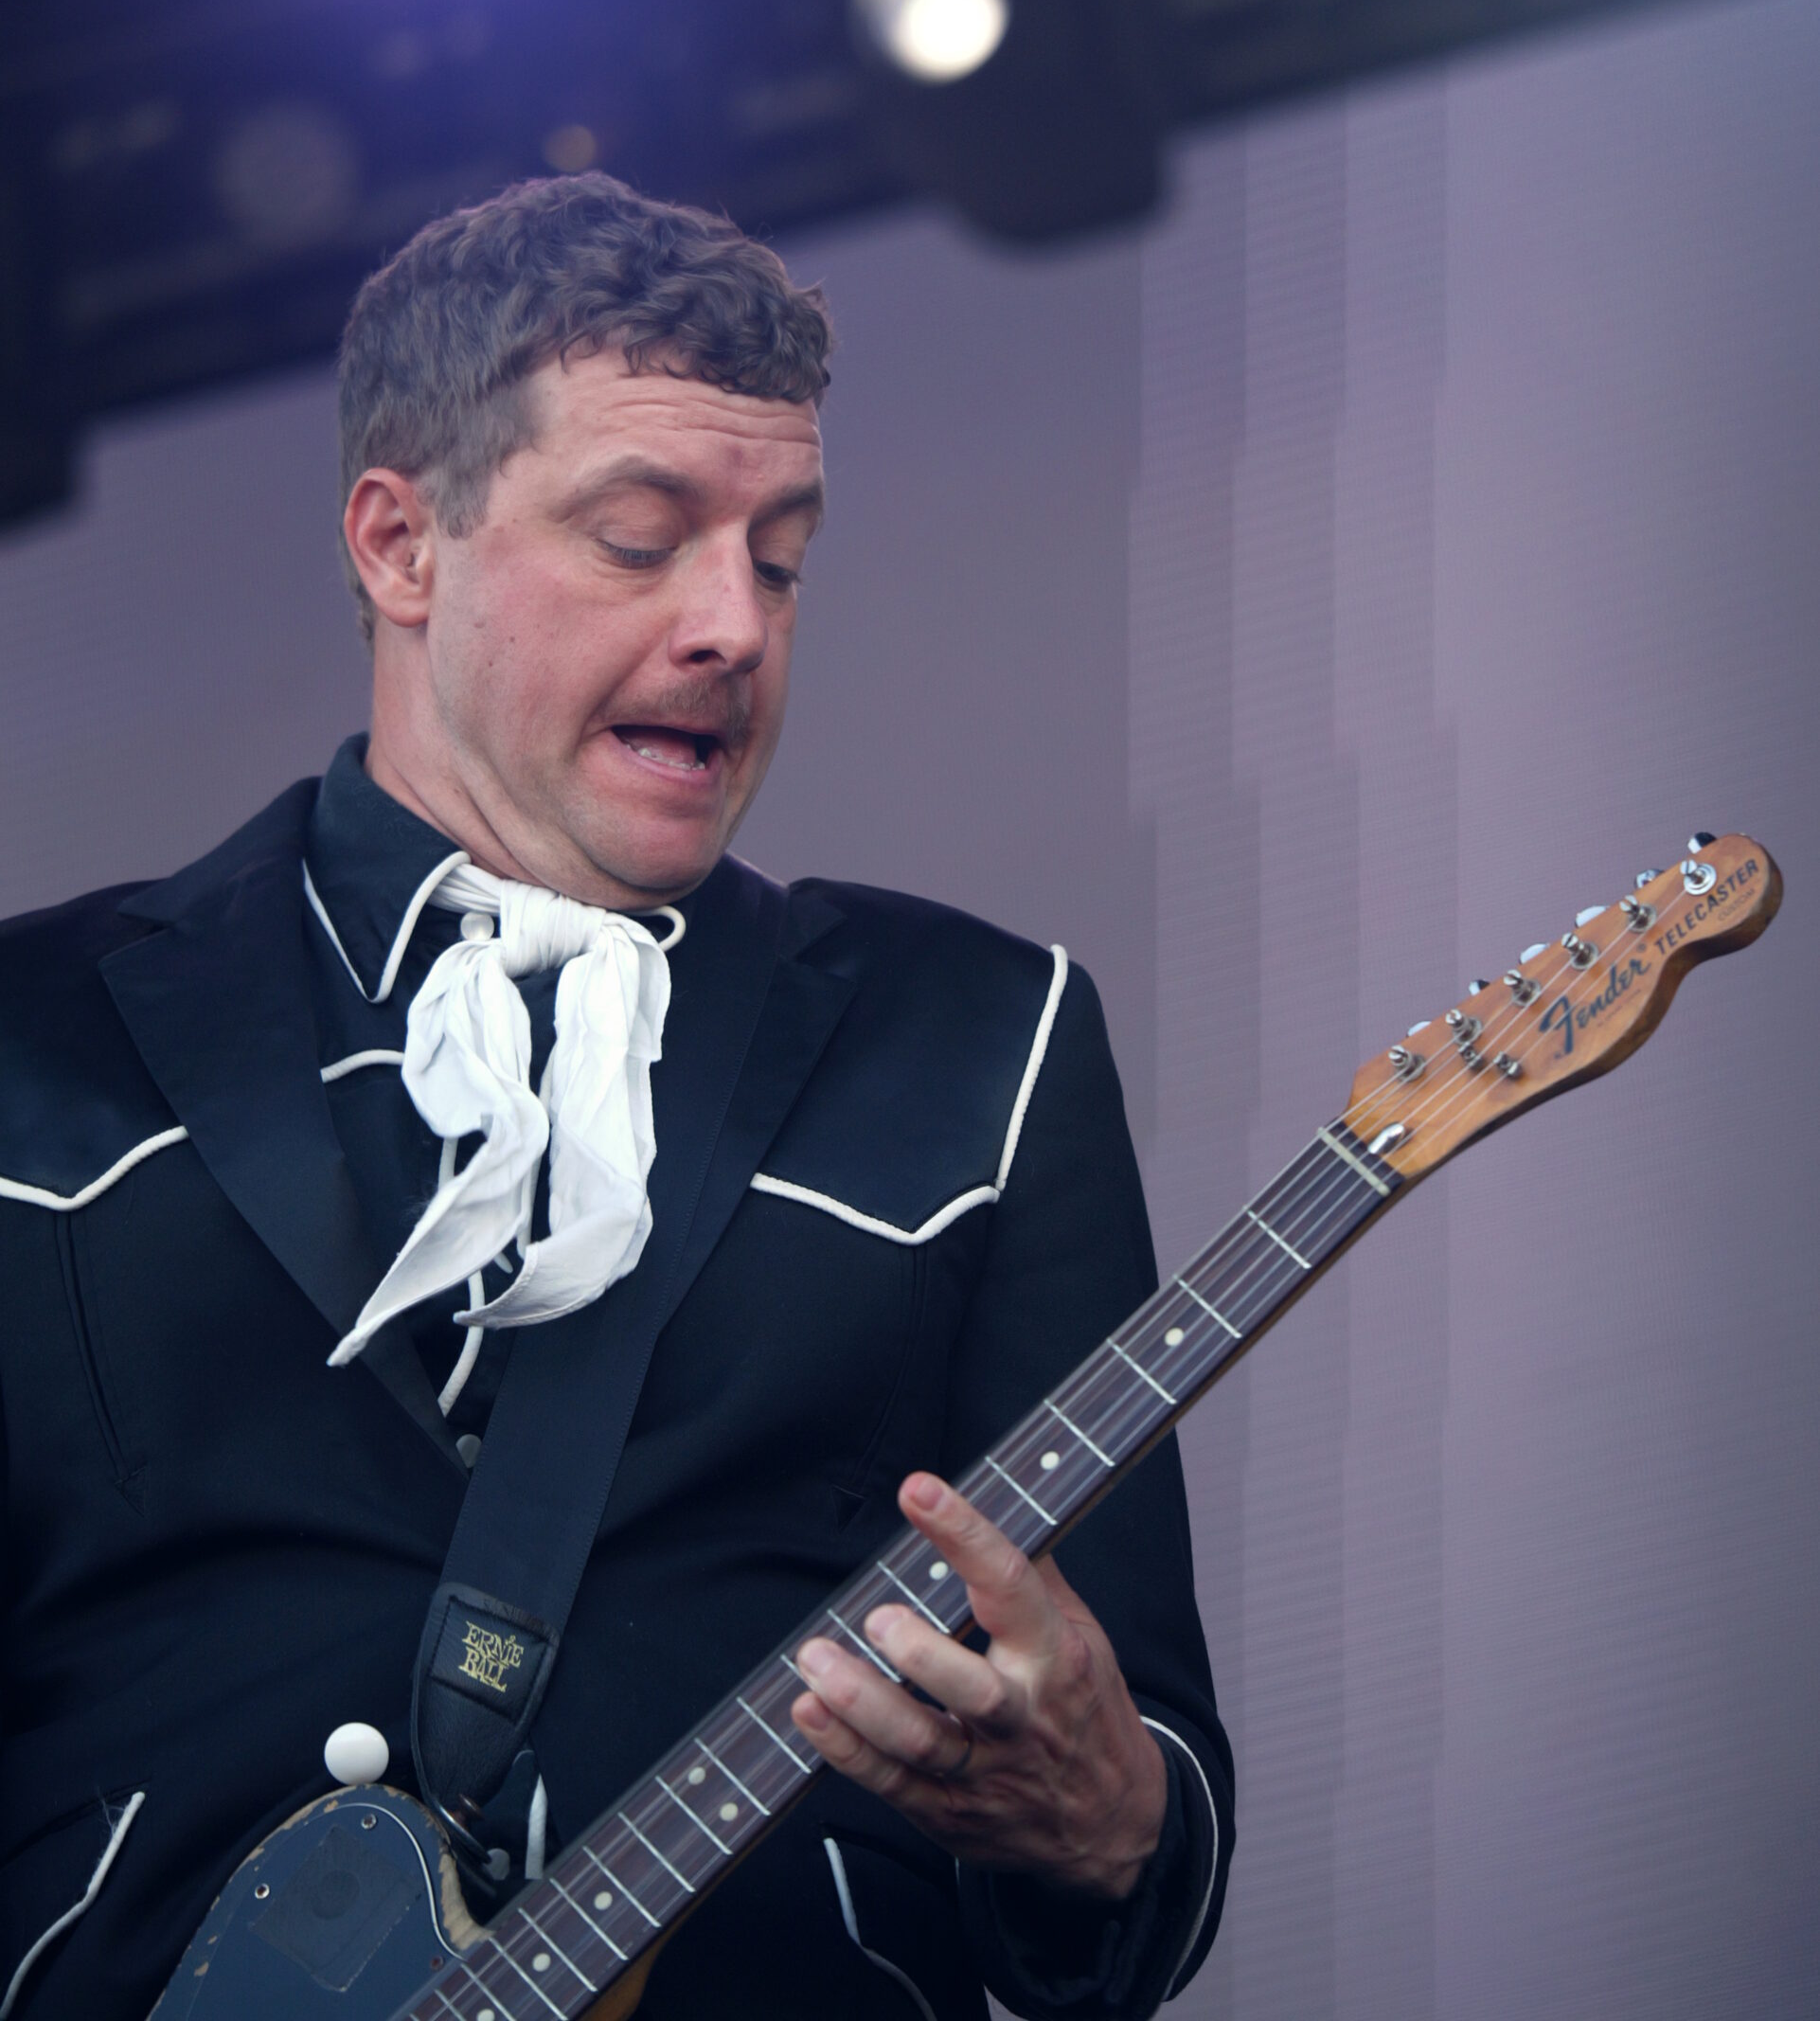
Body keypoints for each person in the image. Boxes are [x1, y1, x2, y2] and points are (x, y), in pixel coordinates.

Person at [0, 174, 1233, 2019]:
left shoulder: (981, 1039)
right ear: (400, 546)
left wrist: (1114, 1819)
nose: (734, 622)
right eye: (641, 539)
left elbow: (1147, 1808)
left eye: (781, 558)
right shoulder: (32, 1037)